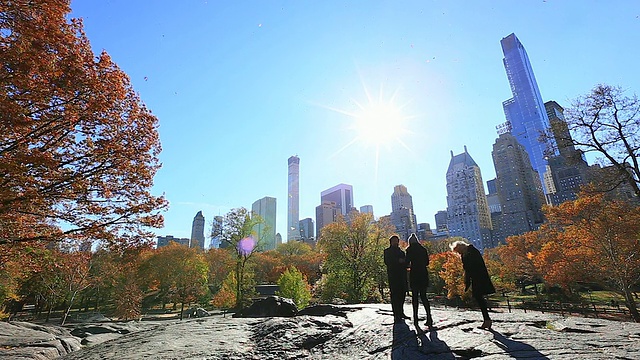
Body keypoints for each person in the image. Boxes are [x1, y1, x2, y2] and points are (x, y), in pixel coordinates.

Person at [450, 240, 495, 329]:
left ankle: (487, 320)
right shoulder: (466, 254)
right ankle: (487, 319)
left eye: (458, 251)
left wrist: (468, 281)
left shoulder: (472, 252)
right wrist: (467, 282)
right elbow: (467, 270)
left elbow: (472, 267)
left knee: (479, 297)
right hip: (476, 278)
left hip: (479, 277)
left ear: (461, 247)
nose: (458, 253)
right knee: (479, 298)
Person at [405, 233, 434, 329]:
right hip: (423, 274)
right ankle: (429, 318)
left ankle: (416, 318)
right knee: (424, 296)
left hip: (414, 274)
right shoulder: (423, 249)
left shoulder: (409, 250)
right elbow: (427, 262)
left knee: (415, 297)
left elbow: (407, 262)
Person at [384, 235, 410, 322]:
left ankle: (401, 312)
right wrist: (398, 261)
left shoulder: (402, 252)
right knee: (395, 295)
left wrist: (406, 263)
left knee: (402, 295)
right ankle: (396, 314)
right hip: (393, 276)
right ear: (390, 242)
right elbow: (387, 262)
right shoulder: (387, 251)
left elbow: (406, 262)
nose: (395, 242)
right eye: (394, 241)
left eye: (396, 241)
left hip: (402, 276)